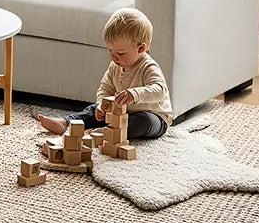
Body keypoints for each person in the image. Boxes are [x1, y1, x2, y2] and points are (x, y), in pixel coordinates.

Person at [37, 8, 172, 140]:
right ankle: (66, 123)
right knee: (93, 110)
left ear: (140, 48)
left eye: (120, 53)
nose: (114, 57)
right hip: (121, 112)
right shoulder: (115, 66)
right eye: (110, 51)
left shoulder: (148, 67)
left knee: (143, 121)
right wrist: (102, 104)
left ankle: (110, 132)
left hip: (154, 116)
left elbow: (159, 91)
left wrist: (134, 94)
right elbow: (105, 88)